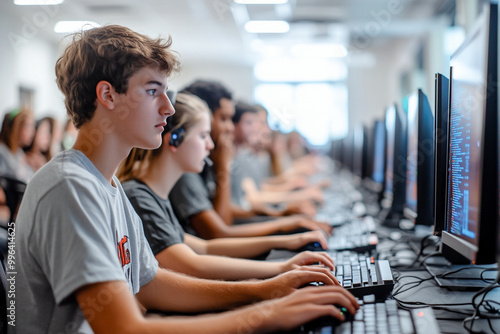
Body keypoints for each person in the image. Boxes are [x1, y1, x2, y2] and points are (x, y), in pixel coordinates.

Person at [14, 25, 358, 334]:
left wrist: (267, 288)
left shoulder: (107, 185)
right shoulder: (69, 187)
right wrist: (267, 313)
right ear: (107, 96)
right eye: (152, 91)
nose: (167, 107)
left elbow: (151, 283)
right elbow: (124, 328)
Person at [117, 92, 335, 280]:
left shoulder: (156, 196)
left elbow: (205, 248)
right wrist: (279, 271)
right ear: (174, 139)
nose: (211, 145)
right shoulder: (139, 197)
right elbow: (193, 263)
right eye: (203, 136)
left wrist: (291, 242)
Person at [170, 80, 332, 239]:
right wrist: (284, 223)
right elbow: (218, 229)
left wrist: (278, 213)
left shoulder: (206, 162)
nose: (230, 128)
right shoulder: (188, 168)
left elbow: (232, 206)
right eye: (224, 119)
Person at [0, 108, 36, 182]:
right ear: (15, 128)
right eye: (28, 127)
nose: (32, 132)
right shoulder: (2, 153)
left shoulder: (19, 153)